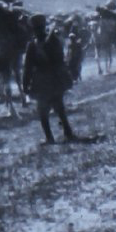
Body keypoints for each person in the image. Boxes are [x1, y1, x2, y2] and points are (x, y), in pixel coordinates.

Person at [22, 14, 76, 144]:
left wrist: (25, 84)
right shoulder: (50, 42)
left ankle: (51, 137)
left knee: (45, 110)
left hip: (44, 80)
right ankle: (65, 133)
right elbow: (28, 66)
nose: (38, 31)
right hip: (52, 79)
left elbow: (28, 67)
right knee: (57, 108)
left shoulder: (36, 45)